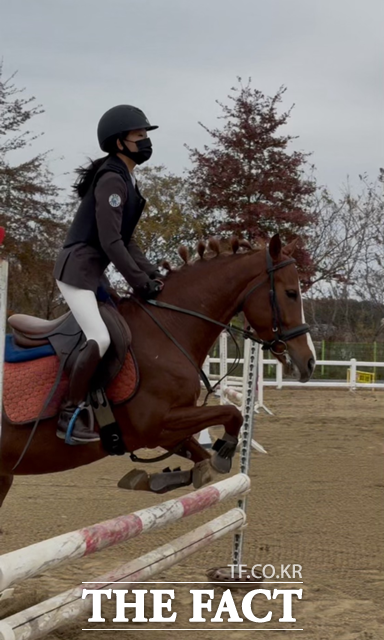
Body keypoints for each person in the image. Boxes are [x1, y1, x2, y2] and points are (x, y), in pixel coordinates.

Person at [53, 104, 163, 444]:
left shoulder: (127, 178)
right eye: (139, 135)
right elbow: (110, 241)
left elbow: (126, 241)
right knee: (99, 338)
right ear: (119, 142)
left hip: (93, 274)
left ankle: (106, 411)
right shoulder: (112, 180)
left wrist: (155, 274)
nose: (146, 141)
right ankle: (69, 412)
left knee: (123, 331)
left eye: (146, 135)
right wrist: (140, 283)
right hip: (76, 272)